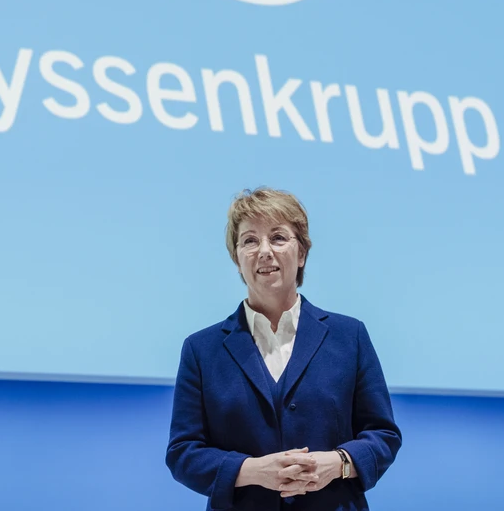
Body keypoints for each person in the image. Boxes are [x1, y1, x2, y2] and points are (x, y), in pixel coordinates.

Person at [166, 188, 402, 510]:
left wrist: (339, 462)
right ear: (237, 259)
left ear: (301, 254)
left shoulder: (350, 336)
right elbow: (182, 453)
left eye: (278, 238)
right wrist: (251, 470)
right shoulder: (201, 350)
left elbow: (384, 435)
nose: (264, 251)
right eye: (250, 241)